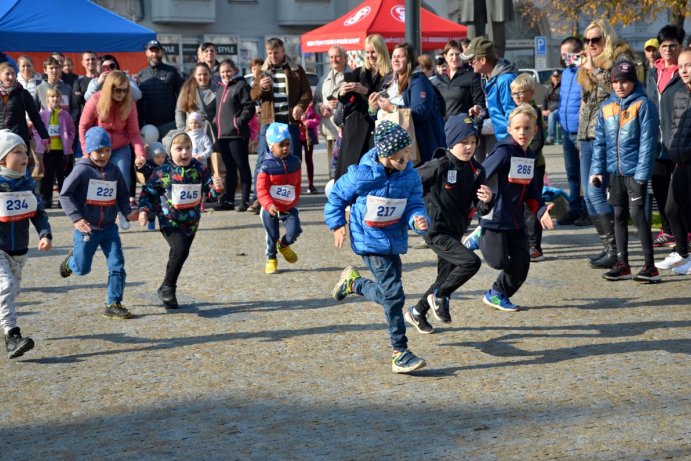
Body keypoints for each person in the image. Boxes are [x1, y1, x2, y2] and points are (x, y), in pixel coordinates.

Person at [325, 120, 430, 374]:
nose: (406, 159)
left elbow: (414, 203)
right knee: (394, 295)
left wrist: (417, 219)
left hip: (393, 239)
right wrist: (338, 223)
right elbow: (337, 195)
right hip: (368, 239)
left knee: (390, 296)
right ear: (384, 154)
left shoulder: (410, 175)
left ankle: (354, 284)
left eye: (408, 153)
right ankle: (399, 351)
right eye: (399, 156)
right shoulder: (363, 174)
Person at [405, 115, 493, 334]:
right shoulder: (438, 165)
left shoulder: (477, 170)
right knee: (470, 262)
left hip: (455, 232)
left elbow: (480, 208)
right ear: (452, 141)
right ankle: (441, 296)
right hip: (435, 231)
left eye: (473, 142)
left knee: (444, 278)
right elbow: (408, 183)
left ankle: (417, 312)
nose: (469, 147)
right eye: (464, 142)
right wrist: (413, 213)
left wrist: (487, 201)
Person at [589, 60, 660, 282]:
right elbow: (600, 142)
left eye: (625, 81)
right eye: (616, 81)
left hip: (635, 172)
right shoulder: (606, 107)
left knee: (638, 215)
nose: (620, 86)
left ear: (633, 82)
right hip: (615, 173)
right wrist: (597, 170)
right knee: (618, 215)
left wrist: (641, 175)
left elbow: (649, 143)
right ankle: (623, 264)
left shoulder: (644, 104)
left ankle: (650, 266)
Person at [58, 127, 139, 319]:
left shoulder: (114, 170)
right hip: (88, 228)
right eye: (99, 151)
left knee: (117, 264)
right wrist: (77, 218)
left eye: (107, 150)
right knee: (83, 268)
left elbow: (122, 195)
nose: (103, 155)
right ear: (88, 150)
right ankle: (72, 261)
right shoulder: (82, 169)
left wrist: (128, 212)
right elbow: (64, 194)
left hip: (109, 228)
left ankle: (113, 303)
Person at [478, 104, 553, 311]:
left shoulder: (530, 155)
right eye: (518, 128)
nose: (523, 132)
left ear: (535, 130)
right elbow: (479, 175)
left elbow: (532, 193)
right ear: (509, 129)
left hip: (516, 221)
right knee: (498, 262)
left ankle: (497, 294)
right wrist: (484, 200)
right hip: (495, 218)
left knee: (522, 262)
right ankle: (479, 236)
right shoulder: (503, 153)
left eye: (527, 128)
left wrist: (541, 211)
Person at [137, 131, 223, 309]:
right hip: (170, 220)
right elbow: (147, 192)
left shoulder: (200, 168)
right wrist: (144, 210)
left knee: (181, 253)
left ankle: (164, 287)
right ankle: (169, 288)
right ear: (169, 151)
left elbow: (211, 192)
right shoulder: (162, 172)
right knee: (180, 248)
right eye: (179, 149)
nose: (184, 152)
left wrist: (217, 187)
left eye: (188, 148)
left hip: (191, 222)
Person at [577, 19, 634, 269]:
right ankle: (608, 248)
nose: (590, 44)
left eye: (595, 39)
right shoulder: (588, 67)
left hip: (606, 135)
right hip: (586, 136)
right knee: (587, 196)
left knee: (595, 191)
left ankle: (617, 251)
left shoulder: (620, 60)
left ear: (606, 39)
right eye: (587, 40)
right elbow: (586, 103)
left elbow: (617, 93)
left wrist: (594, 71)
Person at [0, 131, 52, 359]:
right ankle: (12, 336)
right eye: (17, 152)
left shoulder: (28, 184)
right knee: (6, 285)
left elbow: (38, 213)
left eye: (25, 151)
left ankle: (5, 323)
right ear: (2, 159)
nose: (25, 156)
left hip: (19, 250)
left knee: (13, 291)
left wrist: (45, 234)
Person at [249, 37, 312, 212]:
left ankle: (288, 197)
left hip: (289, 120)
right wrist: (260, 86)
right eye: (269, 53)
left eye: (276, 52)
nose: (273, 56)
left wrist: (300, 106)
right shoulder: (262, 72)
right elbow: (253, 95)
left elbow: (307, 92)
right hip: (269, 122)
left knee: (291, 158)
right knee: (263, 158)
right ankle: (258, 198)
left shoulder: (295, 69)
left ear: (283, 51)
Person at [79, 70, 146, 229]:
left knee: (122, 177)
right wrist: (86, 152)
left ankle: (123, 212)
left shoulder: (130, 104)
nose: (121, 93)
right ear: (109, 88)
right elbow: (83, 127)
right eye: (117, 90)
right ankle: (94, 214)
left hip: (120, 147)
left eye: (124, 90)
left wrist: (140, 154)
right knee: (98, 181)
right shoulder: (95, 100)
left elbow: (134, 133)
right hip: (98, 148)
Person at [368, 42, 446, 164]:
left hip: (418, 146)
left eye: (400, 56)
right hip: (393, 147)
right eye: (394, 56)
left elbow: (421, 112)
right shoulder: (390, 82)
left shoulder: (418, 80)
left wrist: (392, 108)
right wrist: (373, 108)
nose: (395, 59)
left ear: (410, 60)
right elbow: (379, 116)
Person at [645, 25, 685, 248]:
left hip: (677, 140)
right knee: (659, 185)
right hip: (656, 141)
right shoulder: (653, 72)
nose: (668, 50)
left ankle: (682, 231)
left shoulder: (683, 71)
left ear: (680, 46)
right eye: (664, 46)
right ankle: (668, 230)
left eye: (673, 46)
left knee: (678, 192)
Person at [654, 49, 691, 275]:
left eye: (689, 65)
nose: (685, 70)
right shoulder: (679, 94)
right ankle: (682, 253)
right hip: (680, 160)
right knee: (671, 209)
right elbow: (674, 128)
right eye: (682, 66)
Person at [335, 34, 390, 179]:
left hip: (377, 128)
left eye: (373, 52)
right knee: (349, 170)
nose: (370, 56)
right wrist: (341, 92)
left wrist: (366, 91)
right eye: (367, 52)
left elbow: (386, 99)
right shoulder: (358, 72)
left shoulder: (389, 75)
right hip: (355, 126)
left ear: (381, 51)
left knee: (372, 170)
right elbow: (345, 99)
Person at [256, 123, 302, 274]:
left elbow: (297, 184)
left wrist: (293, 200)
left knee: (295, 230)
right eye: (281, 145)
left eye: (288, 144)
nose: (285, 148)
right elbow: (261, 190)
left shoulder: (295, 162)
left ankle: (283, 245)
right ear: (271, 146)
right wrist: (269, 205)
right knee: (272, 234)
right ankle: (271, 259)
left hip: (288, 207)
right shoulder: (266, 166)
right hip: (270, 209)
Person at [510, 74, 546, 262]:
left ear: (531, 93)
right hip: (517, 163)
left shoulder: (532, 111)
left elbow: (537, 141)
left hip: (533, 163)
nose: (516, 96)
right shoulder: (516, 111)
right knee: (520, 204)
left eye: (520, 93)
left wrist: (525, 155)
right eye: (513, 93)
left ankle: (535, 245)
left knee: (531, 204)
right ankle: (523, 242)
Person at [215, 58, 255, 211]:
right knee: (230, 169)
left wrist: (237, 122)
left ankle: (244, 200)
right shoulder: (219, 88)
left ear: (235, 70)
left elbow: (249, 107)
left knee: (242, 166)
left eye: (228, 71)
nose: (225, 74)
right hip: (223, 135)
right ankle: (229, 200)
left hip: (237, 135)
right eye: (223, 72)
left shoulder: (241, 85)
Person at [462, 36, 517, 142]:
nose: (469, 64)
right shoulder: (487, 78)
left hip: (510, 141)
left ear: (482, 60)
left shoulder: (505, 80)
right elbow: (499, 110)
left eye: (471, 60)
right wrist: (484, 112)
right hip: (503, 139)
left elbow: (513, 116)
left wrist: (510, 145)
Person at [556, 36, 587, 226]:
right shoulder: (566, 72)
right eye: (561, 54)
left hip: (581, 130)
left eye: (566, 54)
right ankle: (574, 208)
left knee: (585, 174)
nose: (563, 57)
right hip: (566, 130)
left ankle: (587, 211)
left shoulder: (585, 72)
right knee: (572, 174)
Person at [137, 39, 183, 139]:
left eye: (157, 51)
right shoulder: (141, 74)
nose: (154, 54)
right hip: (148, 126)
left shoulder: (172, 71)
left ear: (162, 52)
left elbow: (182, 96)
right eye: (151, 51)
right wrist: (140, 124)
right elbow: (139, 103)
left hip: (169, 124)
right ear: (147, 53)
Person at [38, 88, 75, 208]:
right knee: (47, 176)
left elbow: (71, 131)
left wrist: (68, 144)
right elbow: (36, 130)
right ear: (47, 100)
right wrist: (42, 143)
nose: (55, 99)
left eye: (57, 97)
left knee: (62, 176)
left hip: (61, 152)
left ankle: (62, 200)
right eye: (52, 97)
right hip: (48, 152)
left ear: (60, 99)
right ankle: (46, 199)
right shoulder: (42, 114)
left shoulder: (65, 115)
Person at [0, 62, 49, 150]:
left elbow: (35, 117)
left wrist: (45, 137)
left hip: (18, 139)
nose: (11, 77)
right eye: (7, 74)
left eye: (13, 74)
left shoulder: (23, 93)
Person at [433, 40, 485, 121]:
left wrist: (475, 128)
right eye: (451, 54)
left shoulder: (472, 76)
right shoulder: (439, 79)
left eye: (457, 54)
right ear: (445, 57)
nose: (454, 58)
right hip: (441, 129)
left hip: (463, 129)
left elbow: (480, 106)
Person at [314, 46, 346, 178]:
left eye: (337, 56)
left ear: (345, 58)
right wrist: (320, 109)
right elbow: (316, 101)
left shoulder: (352, 75)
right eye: (331, 57)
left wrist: (340, 103)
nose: (334, 60)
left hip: (345, 131)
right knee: (331, 172)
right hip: (329, 132)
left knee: (344, 169)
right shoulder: (323, 78)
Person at [175, 62, 218, 132]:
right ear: (194, 75)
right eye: (199, 75)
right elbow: (180, 111)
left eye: (205, 74)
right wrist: (182, 129)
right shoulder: (187, 89)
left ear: (210, 75)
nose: (202, 77)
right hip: (191, 130)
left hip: (212, 131)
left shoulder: (217, 89)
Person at [135, 141, 167, 231]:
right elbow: (141, 168)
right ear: (152, 157)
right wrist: (139, 164)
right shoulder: (149, 166)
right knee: (152, 211)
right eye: (157, 157)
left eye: (162, 156)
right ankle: (151, 221)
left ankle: (164, 224)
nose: (160, 159)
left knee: (163, 209)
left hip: (162, 192)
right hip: (150, 192)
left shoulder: (166, 165)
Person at [298, 102, 320, 193]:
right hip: (297, 136)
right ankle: (296, 185)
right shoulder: (295, 104)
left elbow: (317, 119)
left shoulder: (312, 106)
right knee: (297, 160)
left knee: (309, 160)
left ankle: (311, 184)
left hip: (309, 137)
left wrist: (308, 122)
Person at [543, 69, 561, 144]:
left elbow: (561, 102)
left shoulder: (562, 87)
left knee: (551, 115)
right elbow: (544, 100)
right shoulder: (549, 88)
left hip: (558, 109)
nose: (555, 78)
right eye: (554, 76)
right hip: (548, 110)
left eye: (557, 76)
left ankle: (550, 137)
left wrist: (550, 110)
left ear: (560, 77)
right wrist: (543, 110)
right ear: (551, 77)